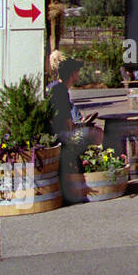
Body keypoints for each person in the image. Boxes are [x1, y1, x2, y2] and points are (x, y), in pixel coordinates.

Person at [48, 58, 101, 204]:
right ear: (72, 74)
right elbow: (67, 123)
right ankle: (96, 173)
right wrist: (81, 127)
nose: (79, 75)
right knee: (97, 133)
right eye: (77, 72)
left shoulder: (56, 87)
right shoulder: (60, 91)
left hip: (56, 131)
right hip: (60, 134)